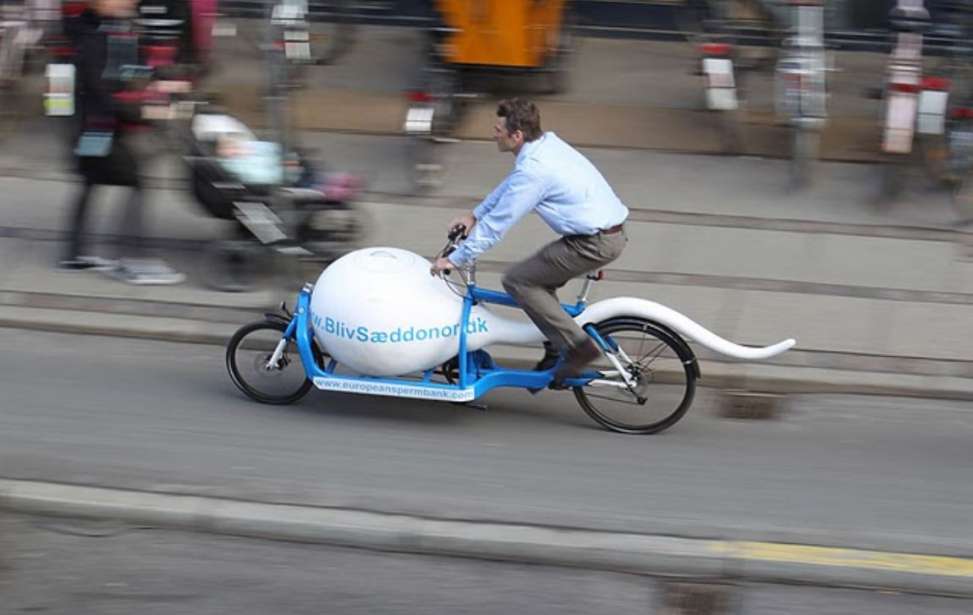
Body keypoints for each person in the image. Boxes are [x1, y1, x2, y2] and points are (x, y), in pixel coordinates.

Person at [430, 98, 629, 385]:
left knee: (518, 281)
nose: (493, 133)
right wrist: (475, 215)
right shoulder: (545, 144)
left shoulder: (535, 172)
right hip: (603, 234)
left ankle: (579, 348)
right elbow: (512, 185)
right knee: (539, 283)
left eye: (498, 129)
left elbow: (498, 226)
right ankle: (554, 344)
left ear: (517, 136)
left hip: (593, 243)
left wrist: (455, 259)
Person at [59, 0, 183, 284]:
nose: (130, 1)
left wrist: (158, 81)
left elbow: (124, 70)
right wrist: (142, 111)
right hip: (93, 131)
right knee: (134, 180)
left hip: (91, 130)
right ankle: (134, 260)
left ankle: (75, 254)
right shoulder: (91, 36)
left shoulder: (103, 28)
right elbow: (100, 90)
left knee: (90, 181)